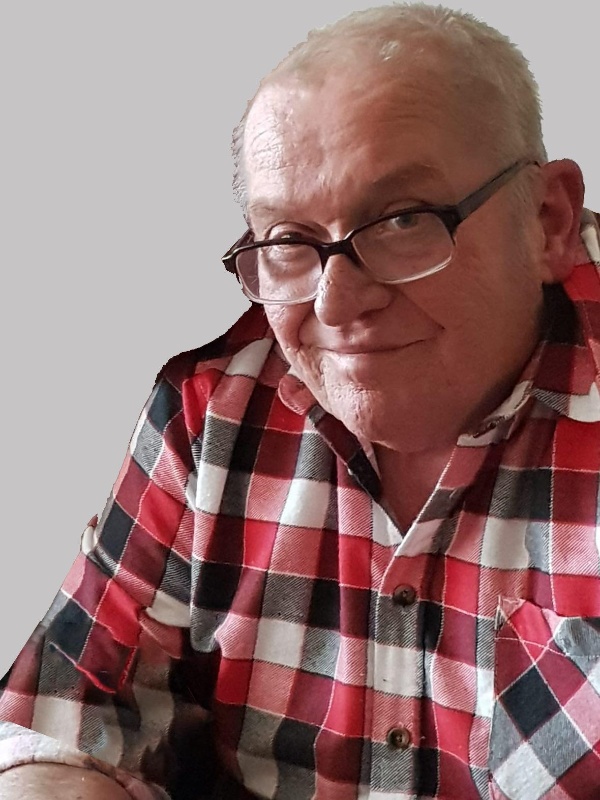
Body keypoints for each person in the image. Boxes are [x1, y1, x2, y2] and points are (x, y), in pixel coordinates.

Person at [1, 3, 599, 798]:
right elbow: (64, 718)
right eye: (288, 241)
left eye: (403, 220)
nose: (336, 303)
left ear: (548, 220)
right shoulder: (211, 413)